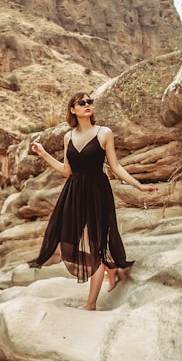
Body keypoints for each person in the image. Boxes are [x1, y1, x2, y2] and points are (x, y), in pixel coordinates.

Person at [28, 92, 156, 310]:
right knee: (69, 240)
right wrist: (43, 153)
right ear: (73, 110)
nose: (87, 105)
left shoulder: (104, 133)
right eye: (82, 102)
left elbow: (115, 167)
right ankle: (109, 268)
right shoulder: (68, 137)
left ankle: (91, 304)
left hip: (97, 192)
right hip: (74, 192)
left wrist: (139, 185)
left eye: (89, 102)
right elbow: (67, 171)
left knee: (94, 243)